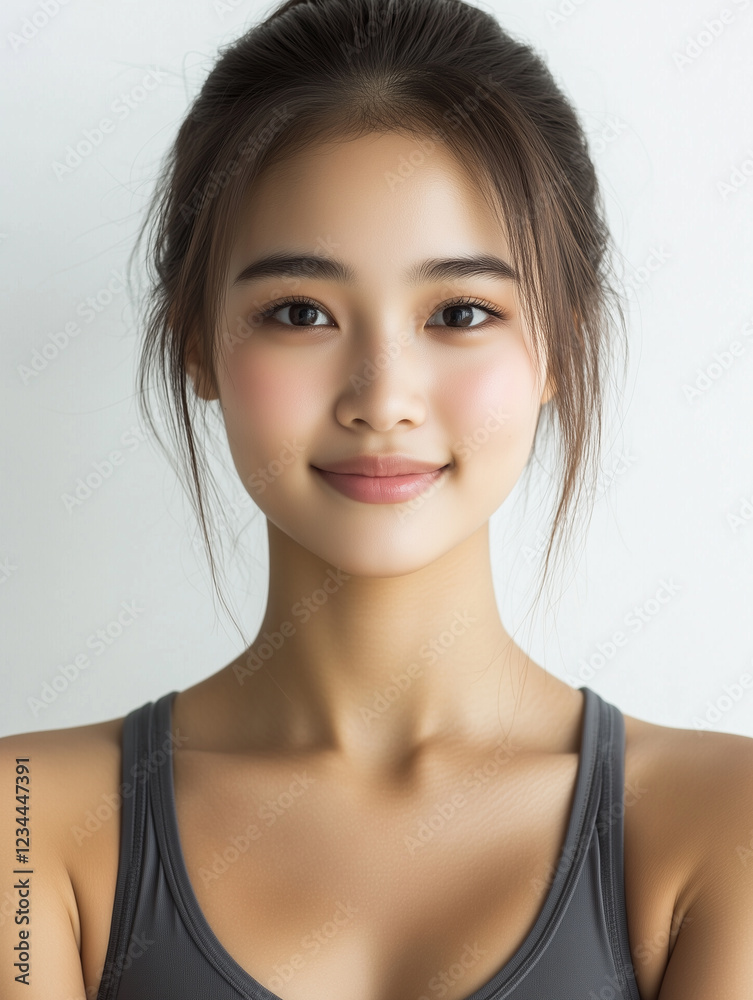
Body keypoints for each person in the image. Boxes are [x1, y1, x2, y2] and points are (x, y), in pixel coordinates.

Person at [2, 0, 752, 997]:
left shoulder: (725, 821)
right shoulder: (23, 819)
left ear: (560, 347)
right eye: (301, 312)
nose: (383, 397)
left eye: (460, 312)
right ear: (197, 342)